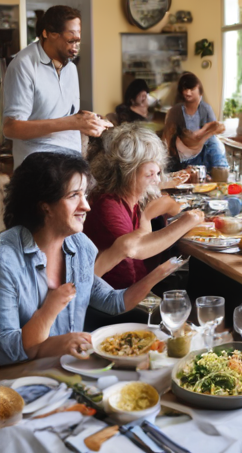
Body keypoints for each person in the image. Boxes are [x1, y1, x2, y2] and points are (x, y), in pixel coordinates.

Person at [0, 152, 181, 366]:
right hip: (15, 380)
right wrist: (50, 310)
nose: (86, 206)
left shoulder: (80, 246)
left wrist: (156, 276)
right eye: (73, 195)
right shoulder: (6, 260)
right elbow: (9, 348)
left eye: (85, 194)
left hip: (67, 366)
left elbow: (113, 302)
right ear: (44, 205)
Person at [84, 122, 204, 290]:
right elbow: (134, 254)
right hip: (115, 297)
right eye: (150, 174)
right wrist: (187, 221)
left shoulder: (129, 197)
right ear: (127, 173)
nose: (157, 180)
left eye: (158, 173)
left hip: (134, 289)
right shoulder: (108, 206)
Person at [2, 5, 111, 168]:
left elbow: (65, 114)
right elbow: (11, 128)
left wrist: (88, 119)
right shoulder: (23, 65)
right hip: (38, 168)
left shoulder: (71, 68)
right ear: (48, 33)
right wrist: (74, 122)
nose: (76, 47)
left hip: (70, 163)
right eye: (70, 41)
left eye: (78, 41)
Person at [162, 72, 228, 173]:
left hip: (202, 146)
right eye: (185, 89)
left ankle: (221, 172)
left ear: (199, 92)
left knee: (214, 144)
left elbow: (217, 127)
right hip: (182, 149)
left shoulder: (206, 109)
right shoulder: (175, 111)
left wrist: (204, 132)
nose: (188, 93)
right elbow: (167, 137)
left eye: (191, 89)